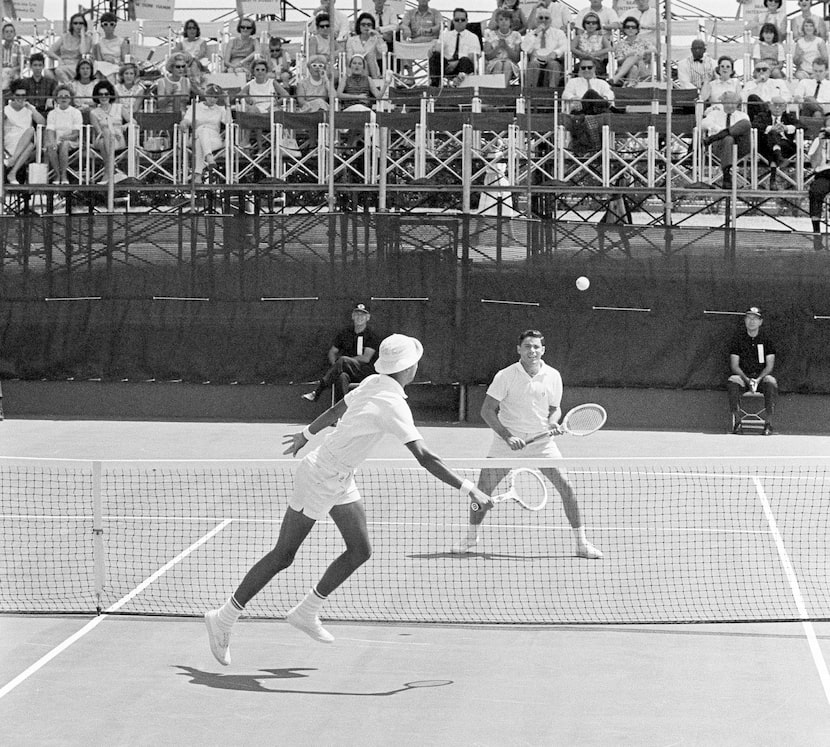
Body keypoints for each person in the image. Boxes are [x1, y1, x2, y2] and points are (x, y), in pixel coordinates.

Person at [204, 334, 493, 664]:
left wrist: (307, 434)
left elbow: (342, 405)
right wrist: (471, 489)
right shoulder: (393, 405)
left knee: (360, 550)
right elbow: (424, 456)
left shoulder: (373, 381)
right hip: (319, 477)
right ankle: (223, 618)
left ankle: (306, 611)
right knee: (283, 555)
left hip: (341, 476)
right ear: (409, 368)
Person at [450, 330, 602, 558]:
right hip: (505, 443)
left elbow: (554, 407)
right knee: (480, 493)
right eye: (528, 347)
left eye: (536, 347)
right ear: (519, 349)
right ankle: (472, 535)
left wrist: (552, 422)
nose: (532, 351)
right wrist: (507, 435)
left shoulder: (553, 375)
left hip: (542, 444)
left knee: (567, 489)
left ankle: (581, 543)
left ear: (543, 350)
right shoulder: (505, 375)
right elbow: (487, 410)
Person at [303, 303, 380, 403]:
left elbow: (366, 358)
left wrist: (343, 361)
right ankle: (341, 412)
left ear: (368, 317)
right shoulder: (345, 333)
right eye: (357, 314)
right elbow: (332, 352)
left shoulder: (371, 335)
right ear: (352, 316)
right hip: (347, 370)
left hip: (364, 371)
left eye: (363, 315)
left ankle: (317, 392)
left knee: (343, 360)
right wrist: (336, 366)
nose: (359, 317)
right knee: (341, 376)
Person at [727, 307, 777, 435]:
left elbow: (769, 366)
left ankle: (768, 424)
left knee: (771, 381)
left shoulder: (767, 340)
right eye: (749, 318)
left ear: (760, 322)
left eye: (755, 318)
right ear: (745, 320)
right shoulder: (737, 340)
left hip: (760, 379)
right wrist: (747, 380)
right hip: (744, 378)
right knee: (733, 380)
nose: (752, 321)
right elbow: (734, 365)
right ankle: (738, 422)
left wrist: (758, 380)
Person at [181, 83, 231, 183]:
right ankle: (209, 157)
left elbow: (228, 122)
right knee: (202, 131)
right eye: (211, 96)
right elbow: (187, 120)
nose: (213, 99)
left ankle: (198, 175)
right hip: (196, 137)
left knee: (200, 140)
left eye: (216, 97)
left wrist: (227, 104)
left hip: (214, 140)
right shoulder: (196, 107)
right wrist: (184, 123)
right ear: (206, 95)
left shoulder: (219, 109)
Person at [701, 90, 751, 189]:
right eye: (728, 103)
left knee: (745, 123)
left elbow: (745, 129)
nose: (731, 106)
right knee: (728, 139)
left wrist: (719, 134)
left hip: (740, 147)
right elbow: (703, 124)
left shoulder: (742, 115)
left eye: (734, 103)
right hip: (719, 147)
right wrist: (720, 130)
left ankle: (716, 137)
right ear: (722, 103)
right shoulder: (715, 114)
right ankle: (726, 175)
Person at [752, 96, 800, 189]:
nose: (777, 108)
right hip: (765, 147)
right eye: (775, 105)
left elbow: (802, 126)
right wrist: (770, 128)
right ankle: (777, 159)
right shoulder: (762, 116)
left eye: (780, 105)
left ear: (785, 107)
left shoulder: (789, 117)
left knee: (774, 141)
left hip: (786, 147)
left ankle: (773, 179)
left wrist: (786, 128)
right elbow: (754, 125)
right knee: (773, 135)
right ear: (769, 106)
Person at [89, 79, 131, 184]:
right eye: (100, 94)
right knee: (106, 133)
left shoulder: (119, 108)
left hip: (118, 139)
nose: (103, 96)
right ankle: (113, 166)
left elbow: (133, 121)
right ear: (97, 96)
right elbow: (99, 132)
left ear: (110, 94)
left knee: (104, 142)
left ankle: (107, 173)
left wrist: (126, 125)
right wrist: (110, 133)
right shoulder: (94, 113)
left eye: (106, 94)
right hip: (102, 137)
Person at [3, 81, 45, 184]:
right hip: (10, 143)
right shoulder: (5, 110)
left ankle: (12, 167)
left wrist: (31, 108)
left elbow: (42, 122)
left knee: (31, 133)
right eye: (18, 95)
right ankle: (12, 172)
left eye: (23, 95)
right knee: (31, 141)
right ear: (13, 95)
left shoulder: (29, 109)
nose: (20, 98)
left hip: (25, 143)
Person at [429, 8, 481, 87]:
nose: (460, 22)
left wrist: (456, 62)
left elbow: (473, 57)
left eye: (462, 20)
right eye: (457, 20)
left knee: (465, 60)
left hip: (462, 66)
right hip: (447, 64)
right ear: (453, 21)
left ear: (467, 21)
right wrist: (434, 49)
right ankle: (434, 85)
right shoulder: (445, 35)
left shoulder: (473, 37)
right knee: (435, 55)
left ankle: (459, 83)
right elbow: (438, 50)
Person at [521, 7, 569, 88]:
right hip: (535, 60)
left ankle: (552, 93)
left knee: (554, 65)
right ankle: (529, 93)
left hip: (552, 59)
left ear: (550, 21)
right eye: (541, 18)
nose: (543, 20)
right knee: (533, 64)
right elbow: (525, 49)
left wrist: (555, 53)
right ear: (536, 20)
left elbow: (565, 46)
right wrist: (536, 34)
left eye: (546, 18)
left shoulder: (558, 33)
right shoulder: (531, 34)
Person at [44, 86, 83, 184]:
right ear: (56, 99)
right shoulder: (52, 113)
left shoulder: (76, 112)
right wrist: (53, 142)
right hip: (57, 140)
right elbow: (50, 131)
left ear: (70, 98)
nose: (63, 98)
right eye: (60, 96)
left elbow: (75, 134)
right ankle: (57, 175)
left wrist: (63, 139)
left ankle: (64, 175)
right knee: (50, 146)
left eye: (66, 96)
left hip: (72, 141)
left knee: (65, 144)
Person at [47, 12, 93, 84]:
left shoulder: (87, 38)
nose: (78, 25)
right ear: (71, 25)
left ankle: (69, 87)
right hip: (63, 64)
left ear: (84, 25)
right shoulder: (64, 37)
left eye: (81, 23)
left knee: (59, 71)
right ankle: (65, 87)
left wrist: (82, 35)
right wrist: (58, 58)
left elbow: (83, 51)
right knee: (47, 72)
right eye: (75, 23)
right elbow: (50, 51)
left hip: (77, 66)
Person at [610, 16, 654, 86]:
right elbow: (619, 61)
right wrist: (627, 57)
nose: (630, 29)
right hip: (624, 72)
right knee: (633, 67)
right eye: (628, 27)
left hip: (642, 71)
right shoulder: (620, 44)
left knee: (635, 57)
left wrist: (643, 52)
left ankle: (616, 78)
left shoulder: (644, 41)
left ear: (637, 29)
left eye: (633, 27)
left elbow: (655, 50)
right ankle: (630, 84)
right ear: (624, 29)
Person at [483, 9, 522, 86]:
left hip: (511, 62)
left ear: (510, 22)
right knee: (499, 64)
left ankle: (503, 89)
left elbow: (517, 58)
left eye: (506, 19)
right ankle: (497, 89)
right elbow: (487, 56)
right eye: (501, 19)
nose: (504, 22)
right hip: (494, 62)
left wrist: (506, 47)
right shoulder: (490, 34)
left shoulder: (516, 35)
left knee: (507, 64)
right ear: (497, 22)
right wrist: (498, 47)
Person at [807, 112, 830, 234]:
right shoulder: (818, 140)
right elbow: (814, 165)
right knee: (815, 191)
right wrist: (821, 143)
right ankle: (816, 231)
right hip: (824, 174)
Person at [346, 12, 386, 79]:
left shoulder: (375, 39)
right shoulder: (351, 40)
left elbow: (383, 51)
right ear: (359, 26)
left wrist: (378, 36)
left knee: (370, 56)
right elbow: (349, 58)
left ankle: (375, 81)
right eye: (363, 24)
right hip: (356, 68)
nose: (366, 27)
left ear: (372, 26)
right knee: (363, 60)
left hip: (372, 70)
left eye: (369, 25)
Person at [571, 12, 611, 77]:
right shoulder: (579, 37)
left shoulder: (601, 38)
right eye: (588, 22)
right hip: (582, 62)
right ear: (584, 24)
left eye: (594, 23)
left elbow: (610, 48)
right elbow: (572, 48)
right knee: (579, 67)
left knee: (592, 67)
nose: (591, 24)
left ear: (597, 25)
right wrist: (582, 54)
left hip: (597, 63)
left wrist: (596, 54)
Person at [93, 12, 129, 80]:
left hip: (117, 68)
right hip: (103, 68)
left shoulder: (122, 42)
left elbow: (125, 61)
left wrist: (115, 61)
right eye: (105, 24)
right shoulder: (99, 43)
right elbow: (99, 61)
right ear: (102, 26)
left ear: (115, 26)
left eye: (112, 24)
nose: (109, 27)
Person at [20, 53, 57, 118]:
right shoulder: (23, 82)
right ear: (31, 66)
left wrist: (51, 99)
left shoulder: (51, 82)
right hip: (27, 114)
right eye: (35, 65)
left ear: (43, 66)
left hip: (45, 114)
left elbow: (56, 97)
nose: (38, 68)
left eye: (40, 65)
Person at [1, 23, 23, 94]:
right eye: (6, 32)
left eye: (11, 31)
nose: (9, 34)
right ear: (3, 34)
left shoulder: (18, 48)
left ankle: (2, 94)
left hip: (14, 73)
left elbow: (22, 65)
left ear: (14, 34)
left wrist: (13, 70)